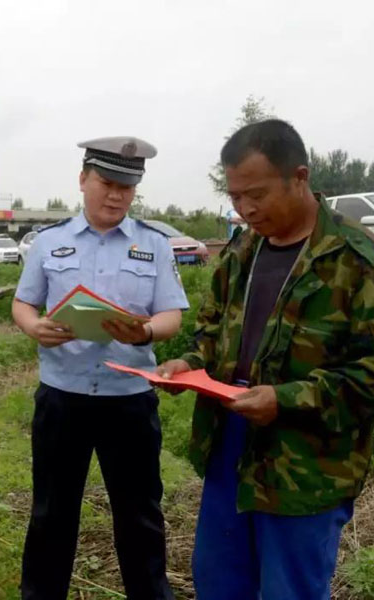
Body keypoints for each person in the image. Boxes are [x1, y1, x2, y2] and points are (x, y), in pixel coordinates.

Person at [157, 119, 374, 600]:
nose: (245, 208)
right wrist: (187, 364)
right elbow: (211, 333)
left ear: (300, 176)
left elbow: (369, 373)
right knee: (220, 584)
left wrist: (287, 398)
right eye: (234, 197)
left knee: (288, 591)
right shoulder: (241, 252)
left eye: (255, 194)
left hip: (306, 465)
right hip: (229, 448)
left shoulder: (355, 260)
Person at [12, 137, 188, 600]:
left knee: (140, 515)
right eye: (107, 184)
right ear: (83, 180)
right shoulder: (50, 242)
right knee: (52, 513)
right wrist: (35, 328)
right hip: (62, 396)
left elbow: (172, 314)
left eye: (127, 188)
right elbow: (23, 302)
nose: (116, 196)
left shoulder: (154, 244)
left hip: (128, 398)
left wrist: (146, 332)